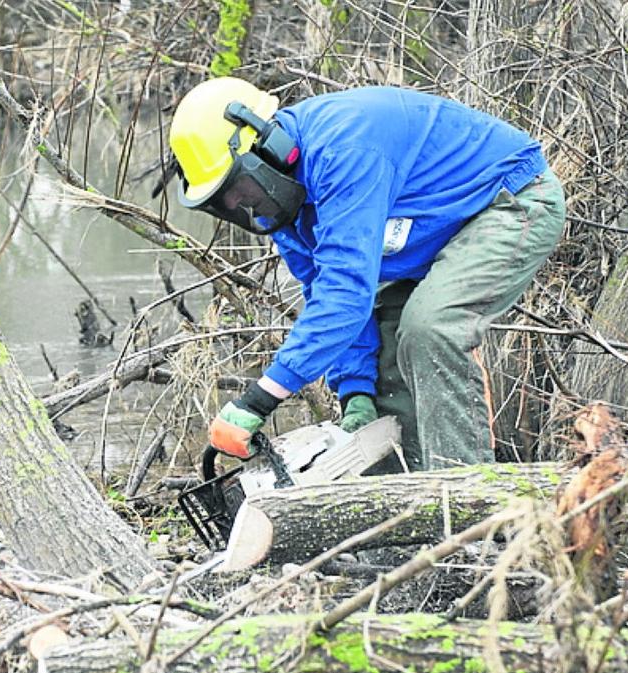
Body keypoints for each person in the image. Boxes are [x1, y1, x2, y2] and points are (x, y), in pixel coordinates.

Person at [168, 77, 565, 471]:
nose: (241, 204)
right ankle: (409, 506)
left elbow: (346, 297)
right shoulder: (286, 208)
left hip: (510, 201)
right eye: (225, 201)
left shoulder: (345, 149)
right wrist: (355, 387)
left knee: (430, 328)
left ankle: (470, 502)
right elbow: (324, 293)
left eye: (238, 188)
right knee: (383, 378)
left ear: (266, 147)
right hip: (426, 233)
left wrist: (259, 399)